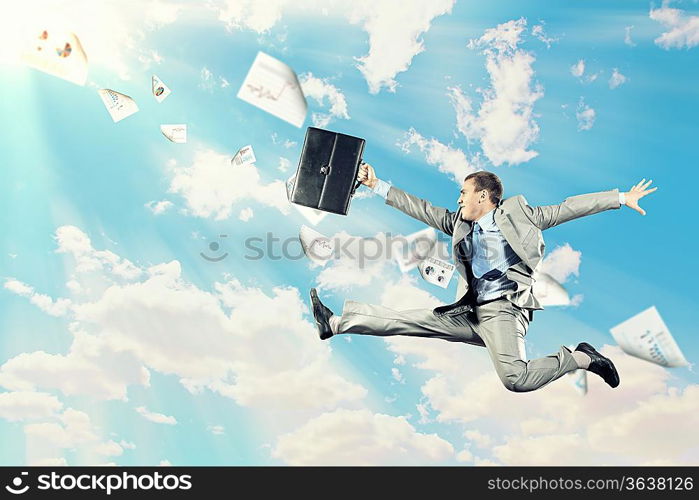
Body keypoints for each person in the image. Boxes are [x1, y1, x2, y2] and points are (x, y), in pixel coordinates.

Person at [310, 164, 657, 393]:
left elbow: (568, 207)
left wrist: (621, 198)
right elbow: (422, 208)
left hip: (506, 311)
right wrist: (375, 184)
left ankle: (582, 357)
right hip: (472, 311)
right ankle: (336, 322)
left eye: (464, 192)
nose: (458, 199)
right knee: (412, 320)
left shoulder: (522, 215)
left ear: (482, 195)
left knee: (515, 379)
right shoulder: (460, 223)